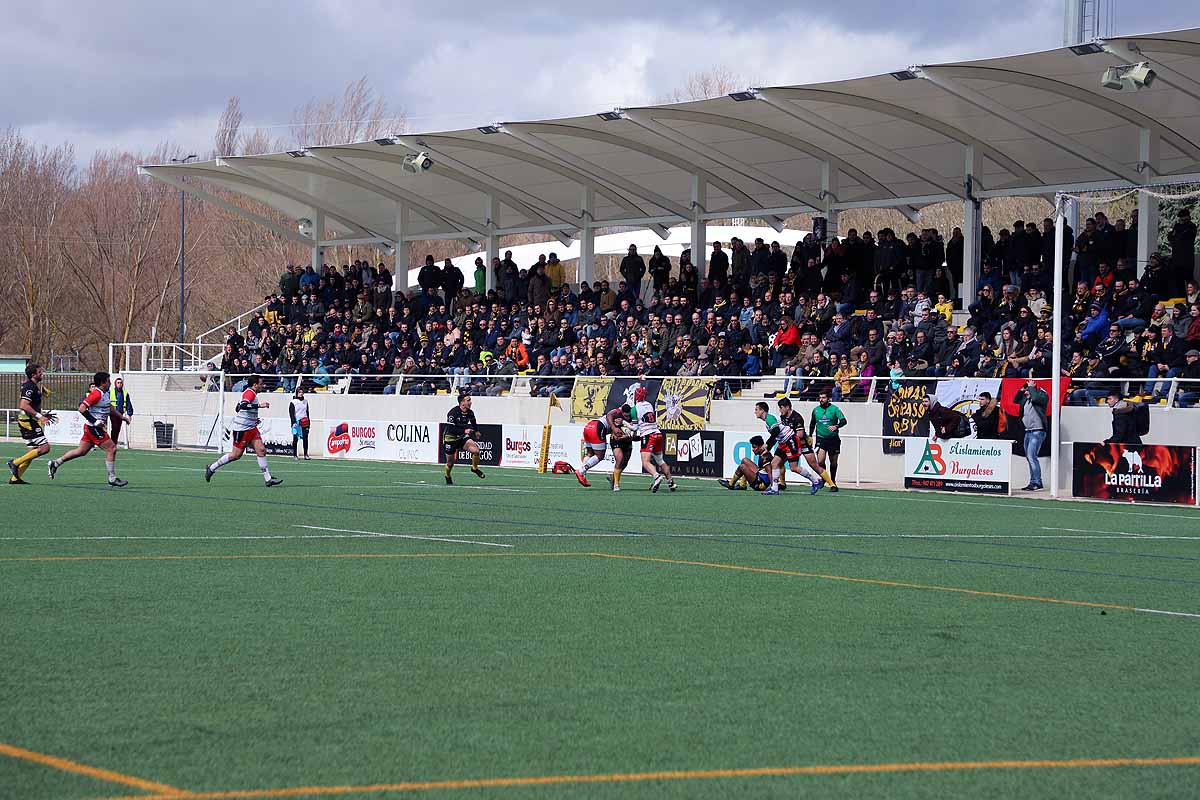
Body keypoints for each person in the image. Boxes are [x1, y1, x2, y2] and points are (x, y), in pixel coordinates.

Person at [46, 371, 127, 487]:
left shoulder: (105, 393)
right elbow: (82, 408)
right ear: (103, 383)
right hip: (94, 429)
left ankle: (55, 463)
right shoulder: (96, 394)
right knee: (112, 449)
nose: (110, 382)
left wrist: (122, 417)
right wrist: (95, 421)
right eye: (108, 381)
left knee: (81, 451)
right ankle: (112, 478)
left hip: (91, 428)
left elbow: (110, 407)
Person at [204, 374, 283, 487]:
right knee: (235, 455)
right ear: (255, 385)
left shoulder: (250, 393)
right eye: (261, 384)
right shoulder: (249, 393)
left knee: (261, 450)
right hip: (241, 429)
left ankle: (268, 479)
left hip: (251, 428)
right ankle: (211, 468)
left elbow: (238, 408)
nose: (263, 385)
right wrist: (260, 406)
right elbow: (243, 406)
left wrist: (253, 419)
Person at [8, 364, 56, 485]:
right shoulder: (29, 386)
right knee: (45, 448)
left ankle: (15, 478)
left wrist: (43, 414)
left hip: (28, 420)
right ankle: (15, 462)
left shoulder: (33, 386)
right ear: (33, 374)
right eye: (40, 372)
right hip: (27, 422)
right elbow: (23, 405)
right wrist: (40, 416)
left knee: (32, 452)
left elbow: (31, 405)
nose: (42, 373)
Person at [776, 397, 836, 492]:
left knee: (814, 465)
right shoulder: (782, 417)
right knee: (778, 463)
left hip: (803, 444)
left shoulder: (797, 417)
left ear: (787, 407)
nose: (780, 410)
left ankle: (832, 484)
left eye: (781, 407)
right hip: (790, 444)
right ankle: (782, 484)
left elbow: (799, 435)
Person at [630, 385, 676, 493]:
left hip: (648, 435)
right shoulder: (649, 404)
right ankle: (671, 482)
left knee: (645, 462)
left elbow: (635, 427)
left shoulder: (634, 409)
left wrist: (625, 424)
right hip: (657, 433)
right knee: (660, 460)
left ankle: (656, 476)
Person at [578, 403, 631, 488]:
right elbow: (609, 415)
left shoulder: (623, 418)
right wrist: (614, 428)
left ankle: (583, 475)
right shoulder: (619, 412)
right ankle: (581, 471)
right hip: (598, 427)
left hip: (589, 425)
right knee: (600, 456)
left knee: (590, 454)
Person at [1012, 379, 1048, 491]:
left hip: (1037, 431)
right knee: (1029, 457)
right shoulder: (1025, 400)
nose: (1026, 391)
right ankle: (1035, 481)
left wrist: (1032, 387)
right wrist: (1022, 389)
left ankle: (1036, 482)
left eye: (1028, 389)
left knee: (1032, 457)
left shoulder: (1041, 396)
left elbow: (1037, 398)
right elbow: (1015, 399)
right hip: (1028, 431)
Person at [443, 393, 486, 485]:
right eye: (468, 400)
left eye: (470, 400)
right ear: (462, 402)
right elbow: (451, 429)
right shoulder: (453, 413)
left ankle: (474, 468)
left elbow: (473, 421)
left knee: (476, 451)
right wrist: (464, 430)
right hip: (450, 439)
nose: (471, 402)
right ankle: (447, 476)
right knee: (450, 463)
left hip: (462, 437)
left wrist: (476, 431)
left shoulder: (470, 412)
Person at [809, 390, 847, 487]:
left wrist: (836, 426)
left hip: (833, 439)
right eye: (820, 398)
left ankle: (833, 481)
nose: (821, 400)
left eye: (823, 398)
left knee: (833, 462)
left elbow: (844, 421)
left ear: (828, 399)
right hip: (821, 439)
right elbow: (812, 423)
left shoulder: (835, 409)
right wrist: (810, 435)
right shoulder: (816, 410)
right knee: (820, 460)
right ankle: (825, 478)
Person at [107, 375, 134, 446]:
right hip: (113, 413)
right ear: (115, 384)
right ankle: (112, 443)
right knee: (115, 427)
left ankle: (114, 443)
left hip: (120, 413)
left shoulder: (125, 393)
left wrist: (129, 414)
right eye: (118, 382)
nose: (119, 384)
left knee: (118, 428)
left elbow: (128, 404)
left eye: (121, 383)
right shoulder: (110, 392)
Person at [288, 387, 311, 460]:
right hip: (296, 423)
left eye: (302, 392)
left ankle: (305, 454)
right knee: (295, 439)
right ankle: (295, 455)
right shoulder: (293, 402)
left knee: (305, 438)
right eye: (299, 392)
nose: (301, 393)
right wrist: (294, 422)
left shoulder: (305, 401)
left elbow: (307, 412)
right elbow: (291, 413)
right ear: (297, 393)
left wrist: (309, 422)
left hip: (304, 422)